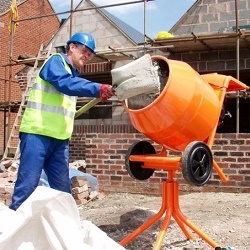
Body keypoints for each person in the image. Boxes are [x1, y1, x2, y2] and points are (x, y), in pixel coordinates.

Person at [9, 32, 115, 210]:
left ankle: (64, 229)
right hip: (37, 134)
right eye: (84, 51)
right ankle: (15, 231)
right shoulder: (56, 62)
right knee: (27, 187)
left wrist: (99, 92)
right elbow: (65, 84)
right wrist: (98, 88)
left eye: (90, 55)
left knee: (63, 192)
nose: (86, 57)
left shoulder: (72, 75)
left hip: (59, 140)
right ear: (71, 47)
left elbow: (67, 95)